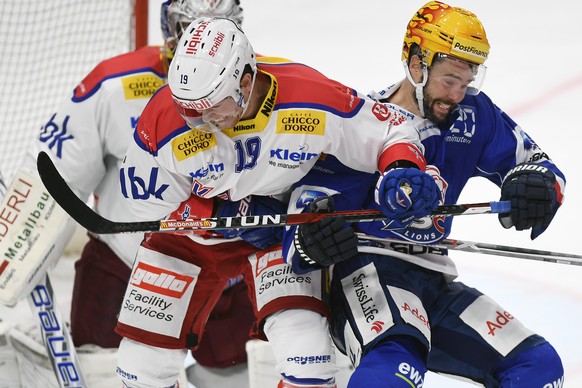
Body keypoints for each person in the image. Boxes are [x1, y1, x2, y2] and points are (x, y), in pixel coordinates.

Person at [116, 15, 433, 388]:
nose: (200, 121)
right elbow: (142, 205)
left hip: (277, 234)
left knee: (308, 358)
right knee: (140, 367)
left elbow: (392, 127)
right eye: (189, 110)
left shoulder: (309, 97)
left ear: (245, 83)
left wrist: (400, 168)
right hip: (192, 238)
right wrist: (221, 212)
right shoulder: (165, 119)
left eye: (212, 108)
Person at [284, 1, 566, 387]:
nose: (457, 94)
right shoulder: (362, 121)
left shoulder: (473, 114)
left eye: (466, 83)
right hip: (369, 269)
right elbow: (300, 219)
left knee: (538, 366)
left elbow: (539, 164)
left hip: (436, 279)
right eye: (449, 79)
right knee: (397, 364)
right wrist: (307, 241)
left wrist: (538, 183)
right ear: (416, 64)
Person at [23, 1, 258, 387]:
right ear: (169, 29)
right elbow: (54, 177)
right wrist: (18, 257)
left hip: (223, 265)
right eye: (188, 29)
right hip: (125, 260)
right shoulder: (114, 85)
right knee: (103, 371)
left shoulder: (258, 87)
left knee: (244, 371)